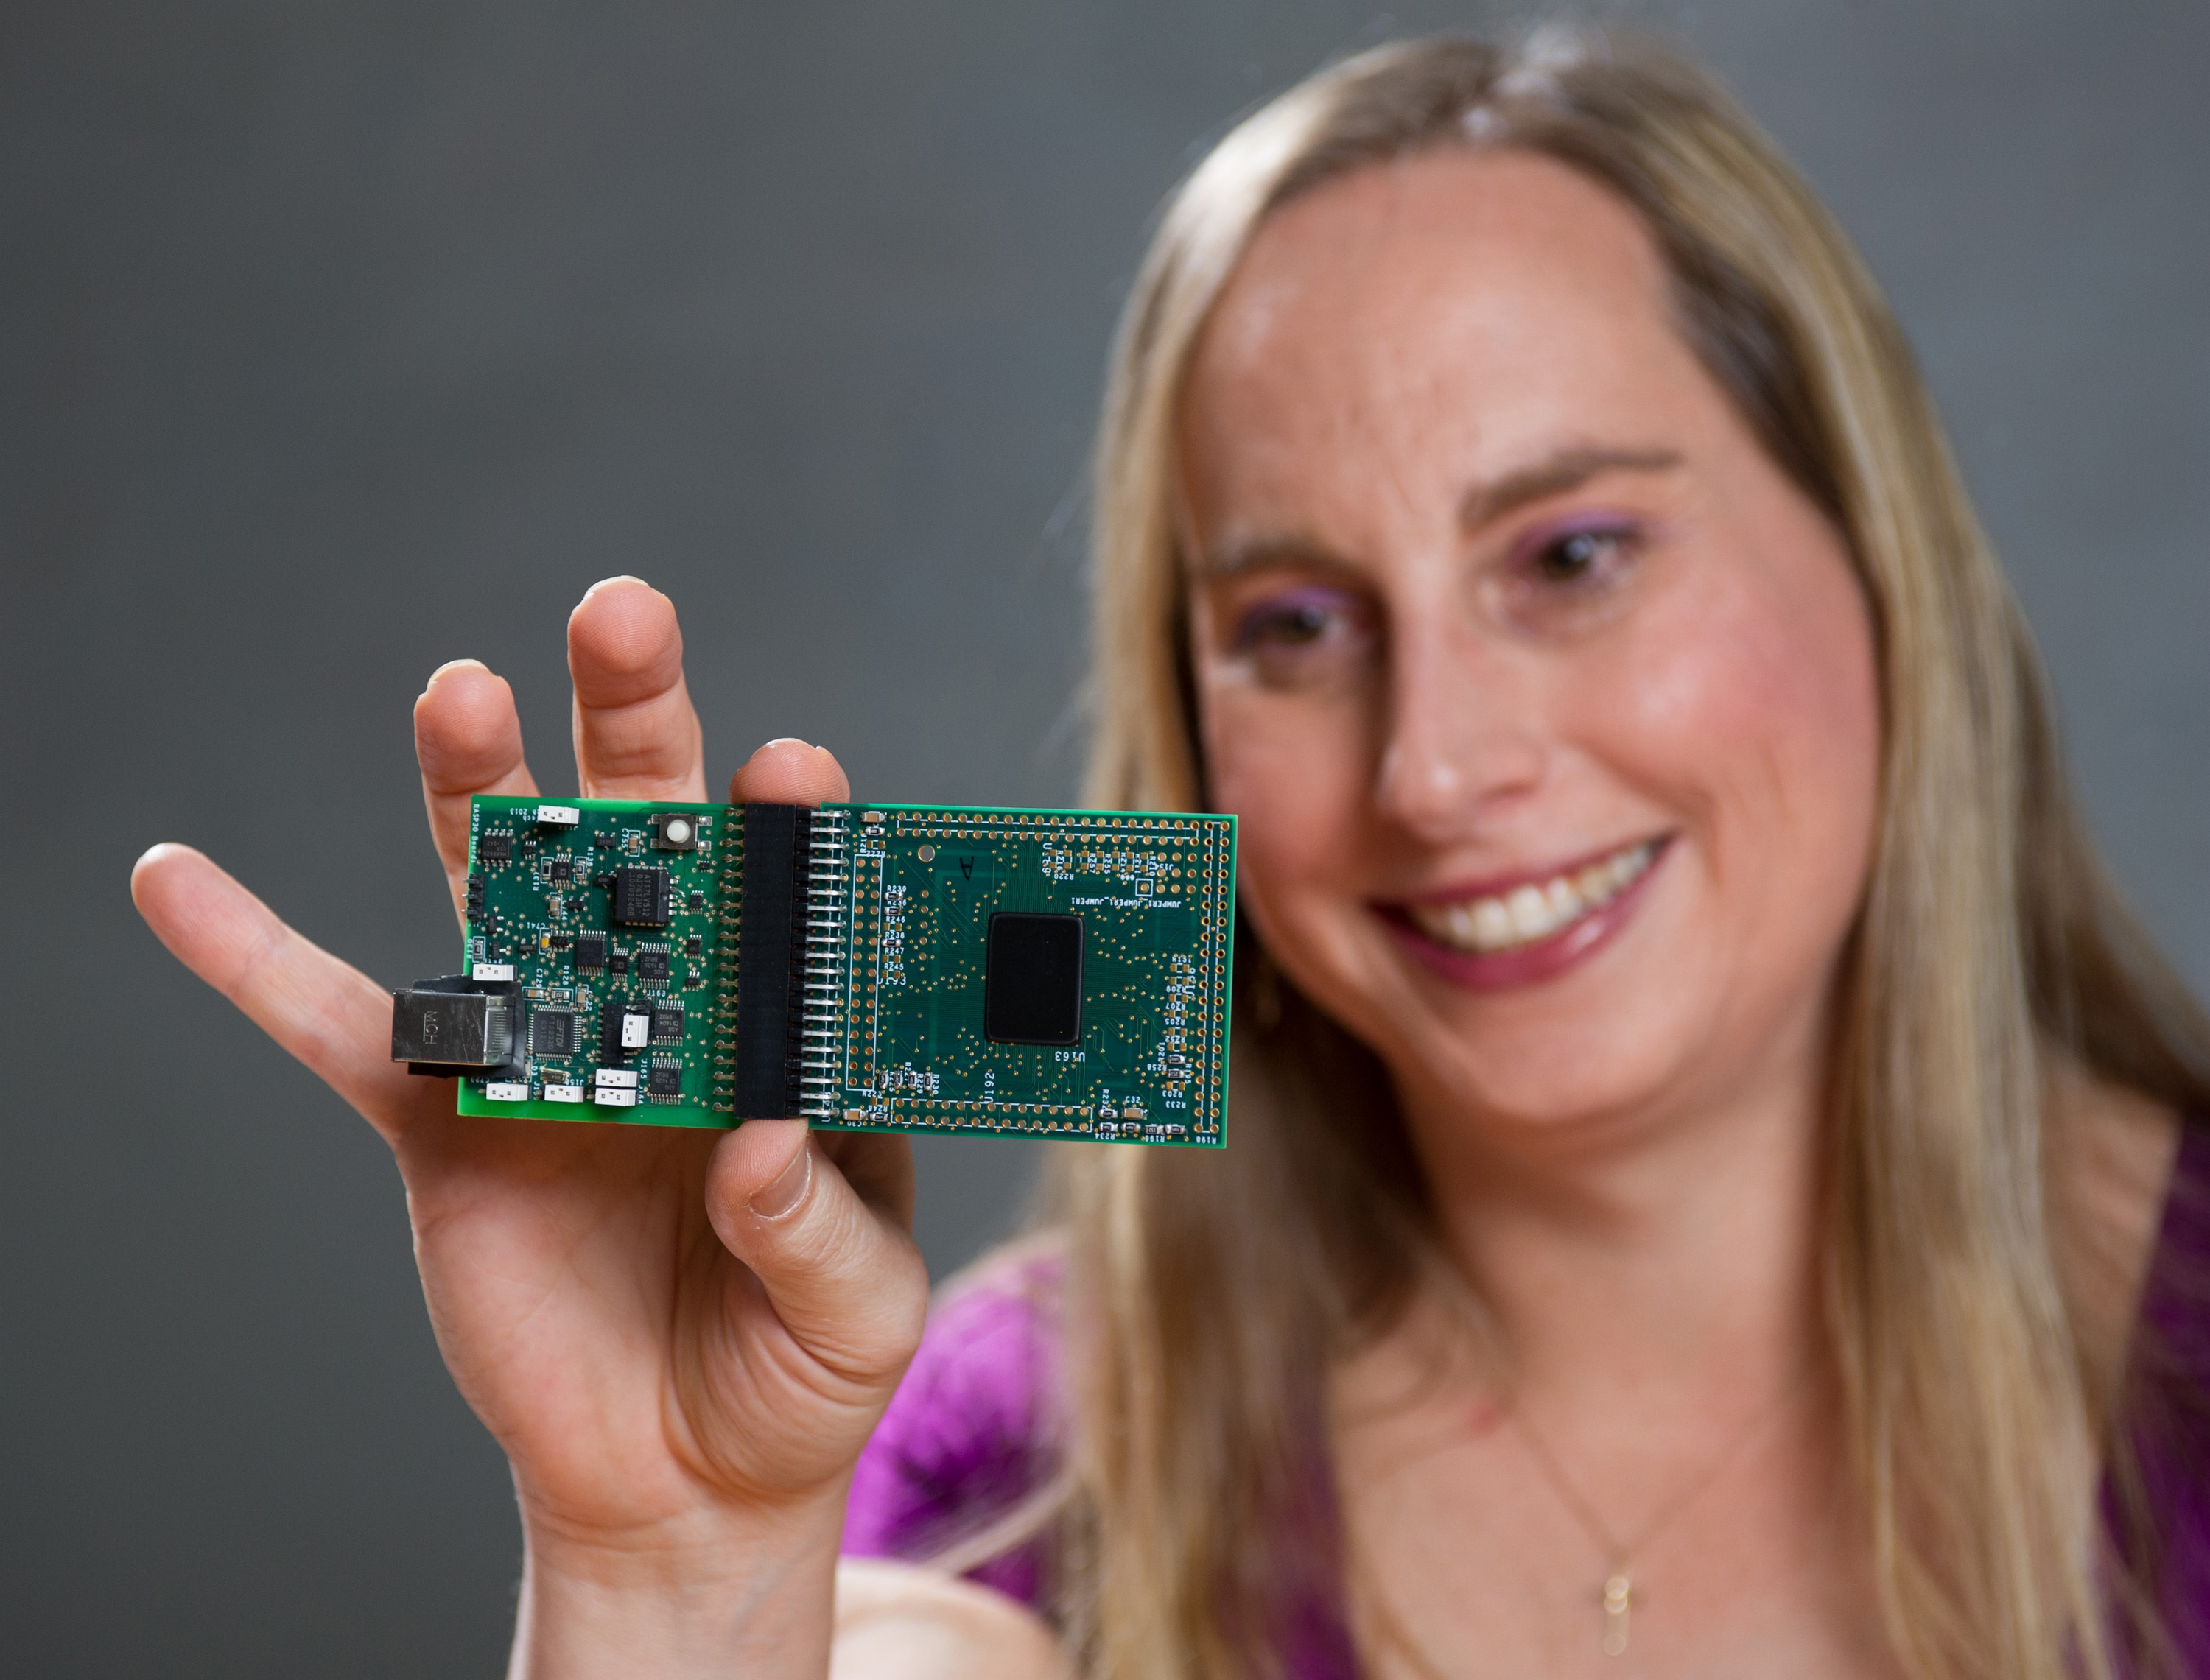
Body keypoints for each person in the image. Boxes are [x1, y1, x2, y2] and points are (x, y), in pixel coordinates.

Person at [131, 29, 2208, 1680]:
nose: (1437, 766)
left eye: (1573, 555)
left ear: (1881, 564)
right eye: (1293, 627)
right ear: (1192, 744)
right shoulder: (991, 1474)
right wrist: (663, 1577)